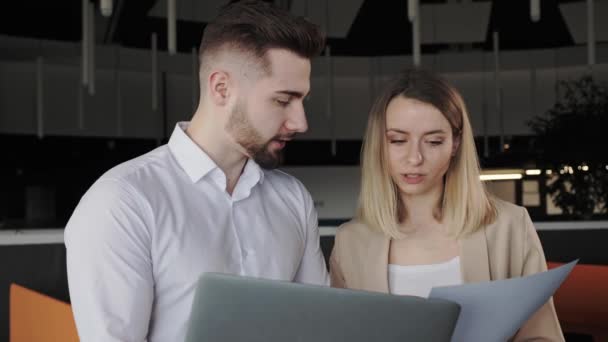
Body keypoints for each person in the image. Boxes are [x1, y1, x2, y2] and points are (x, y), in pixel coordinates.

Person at [65, 1, 328, 341]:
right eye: (282, 100)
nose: (300, 122)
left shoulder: (293, 199)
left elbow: (319, 328)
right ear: (221, 88)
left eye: (302, 100)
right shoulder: (120, 203)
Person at [329, 69, 564, 341]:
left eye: (433, 141)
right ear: (379, 145)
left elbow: (543, 336)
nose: (414, 158)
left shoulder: (509, 226)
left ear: (455, 144)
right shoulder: (350, 242)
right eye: (398, 140)